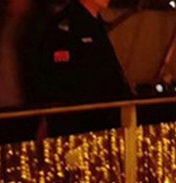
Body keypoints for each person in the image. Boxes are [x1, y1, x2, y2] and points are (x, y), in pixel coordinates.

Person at [34, 0, 131, 134]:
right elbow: (60, 86)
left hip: (104, 124)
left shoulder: (95, 24)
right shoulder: (66, 26)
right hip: (82, 128)